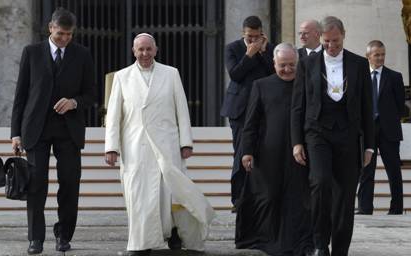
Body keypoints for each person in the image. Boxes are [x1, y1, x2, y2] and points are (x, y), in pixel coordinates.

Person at [105, 33, 214, 256]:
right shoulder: (122, 77)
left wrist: (186, 142)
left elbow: (181, 110)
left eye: (148, 49)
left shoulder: (171, 73)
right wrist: (111, 147)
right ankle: (140, 243)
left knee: (173, 193)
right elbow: (114, 115)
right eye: (140, 49)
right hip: (135, 147)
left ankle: (178, 234)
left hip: (167, 145)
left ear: (156, 50)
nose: (144, 54)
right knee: (139, 196)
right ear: (134, 51)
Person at [10, 7, 95, 254]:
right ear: (50, 28)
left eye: (69, 35)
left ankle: (64, 236)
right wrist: (16, 133)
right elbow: (20, 95)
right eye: (60, 34)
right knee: (37, 185)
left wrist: (74, 102)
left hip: (69, 130)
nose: (65, 39)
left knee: (70, 184)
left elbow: (91, 94)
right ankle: (35, 239)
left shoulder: (82, 54)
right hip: (36, 129)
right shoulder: (31, 52)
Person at [290, 16, 374, 256]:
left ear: (343, 35)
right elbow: (298, 106)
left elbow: (368, 107)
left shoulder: (359, 64)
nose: (331, 46)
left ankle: (339, 249)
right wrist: (296, 141)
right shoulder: (307, 64)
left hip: (349, 136)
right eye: (327, 41)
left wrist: (369, 146)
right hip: (317, 133)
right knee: (321, 182)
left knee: (346, 196)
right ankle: (319, 243)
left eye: (335, 41)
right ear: (320, 38)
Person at [237, 43, 312, 256]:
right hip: (268, 152)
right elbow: (251, 122)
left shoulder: (306, 84)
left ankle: (299, 242)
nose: (287, 70)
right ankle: (266, 239)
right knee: (268, 196)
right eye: (282, 65)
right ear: (274, 63)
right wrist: (247, 151)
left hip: (300, 152)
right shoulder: (261, 85)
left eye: (291, 65)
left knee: (297, 199)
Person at [220, 15, 275, 207]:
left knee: (262, 153)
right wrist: (249, 54)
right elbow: (235, 74)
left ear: (262, 33)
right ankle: (239, 199)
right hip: (240, 109)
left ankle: (259, 196)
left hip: (263, 109)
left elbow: (274, 73)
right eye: (249, 36)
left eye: (256, 36)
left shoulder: (268, 49)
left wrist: (262, 52)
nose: (253, 40)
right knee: (242, 152)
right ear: (243, 33)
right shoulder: (232, 48)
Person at [357, 40, 404, 215]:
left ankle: (396, 209)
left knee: (393, 172)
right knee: (366, 171)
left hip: (389, 131)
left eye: (383, 54)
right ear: (368, 56)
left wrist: (387, 119)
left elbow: (400, 106)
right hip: (366, 131)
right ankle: (364, 208)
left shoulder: (395, 77)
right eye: (377, 54)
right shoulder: (360, 77)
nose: (380, 58)